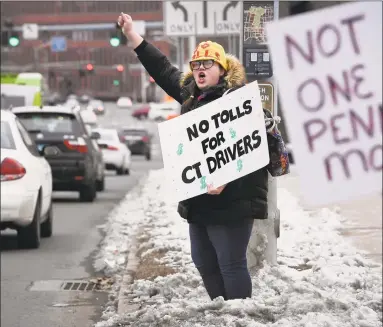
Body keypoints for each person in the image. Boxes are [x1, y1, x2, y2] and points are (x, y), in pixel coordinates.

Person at [118, 12, 289, 301]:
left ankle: (238, 316)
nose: (200, 68)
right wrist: (133, 36)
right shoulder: (189, 98)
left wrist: (226, 180)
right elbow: (162, 69)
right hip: (200, 200)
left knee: (231, 264)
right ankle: (221, 311)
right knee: (204, 263)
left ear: (221, 70)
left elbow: (251, 153)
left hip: (235, 200)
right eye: (196, 64)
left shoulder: (240, 102)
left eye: (207, 64)